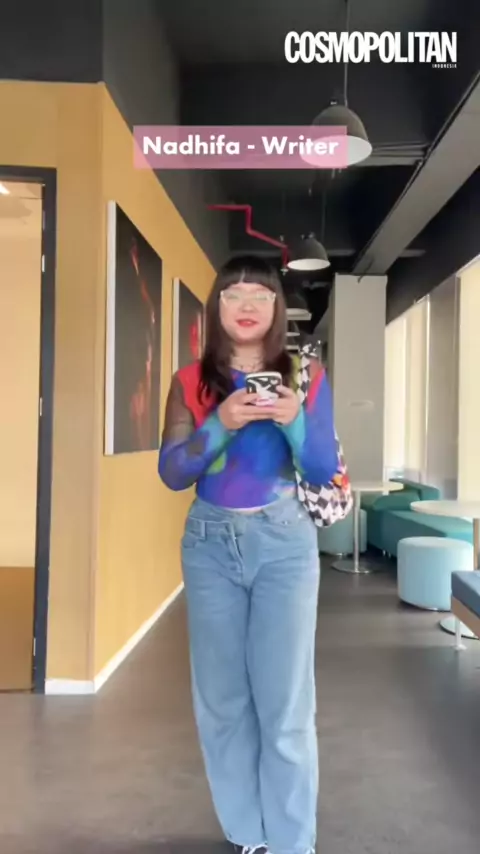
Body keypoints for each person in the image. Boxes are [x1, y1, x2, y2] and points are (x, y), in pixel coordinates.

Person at [158, 254, 339, 854]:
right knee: (222, 705)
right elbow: (173, 473)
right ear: (216, 308)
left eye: (260, 294)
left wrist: (293, 420)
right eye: (232, 293)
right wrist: (221, 423)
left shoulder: (305, 376)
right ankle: (249, 835)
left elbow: (321, 468)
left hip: (285, 544)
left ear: (277, 308)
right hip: (209, 546)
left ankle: (291, 843)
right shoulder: (190, 381)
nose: (246, 304)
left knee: (286, 708)